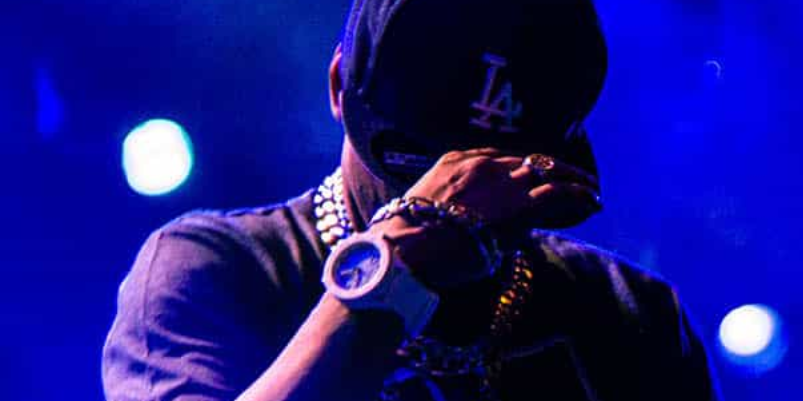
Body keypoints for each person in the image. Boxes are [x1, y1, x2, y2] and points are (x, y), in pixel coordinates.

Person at [102, 0, 721, 400]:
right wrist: (394, 268)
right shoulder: (215, 268)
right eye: (424, 170)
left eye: (498, 170)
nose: (467, 189)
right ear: (340, 87)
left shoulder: (629, 311)